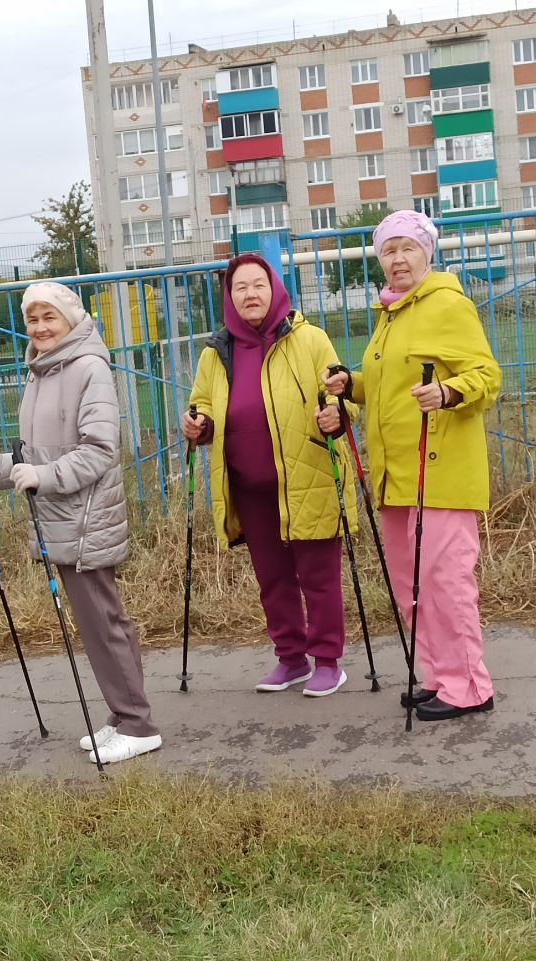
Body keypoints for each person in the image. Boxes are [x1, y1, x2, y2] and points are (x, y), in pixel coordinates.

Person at [0, 282, 161, 764]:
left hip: (85, 519)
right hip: (60, 519)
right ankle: (121, 716)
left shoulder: (88, 367)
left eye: (50, 317)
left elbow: (100, 451)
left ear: (70, 320)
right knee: (97, 624)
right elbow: (34, 458)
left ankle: (139, 724)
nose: (41, 327)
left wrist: (44, 477)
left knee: (104, 623)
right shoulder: (41, 372)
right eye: (32, 319)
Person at [323, 210, 502, 722]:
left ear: (428, 252)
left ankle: (470, 686)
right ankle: (440, 677)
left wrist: (449, 392)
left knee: (446, 584)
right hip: (396, 476)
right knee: (412, 587)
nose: (397, 259)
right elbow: (388, 389)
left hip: (440, 472)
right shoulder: (392, 313)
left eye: (407, 248)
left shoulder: (447, 304)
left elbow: (486, 375)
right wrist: (351, 383)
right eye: (388, 251)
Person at [182, 253, 356, 697]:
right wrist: (198, 425)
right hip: (249, 486)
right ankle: (291, 659)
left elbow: (341, 395)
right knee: (273, 579)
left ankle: (328, 662)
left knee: (318, 578)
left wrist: (336, 415)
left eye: (258, 284)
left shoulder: (309, 339)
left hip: (308, 475)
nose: (250, 294)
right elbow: (203, 404)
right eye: (240, 288)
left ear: (275, 288)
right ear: (229, 297)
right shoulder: (215, 353)